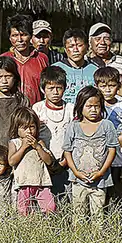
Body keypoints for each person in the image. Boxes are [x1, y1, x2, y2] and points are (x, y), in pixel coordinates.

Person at [63, 86, 119, 223]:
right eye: (89, 106)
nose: (93, 110)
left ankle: (97, 241)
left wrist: (101, 172)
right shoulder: (74, 126)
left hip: (100, 180)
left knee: (98, 215)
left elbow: (112, 150)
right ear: (81, 106)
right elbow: (67, 151)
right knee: (78, 214)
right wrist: (76, 172)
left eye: (97, 106)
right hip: (78, 180)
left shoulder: (107, 125)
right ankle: (78, 241)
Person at [94, 66, 122, 212]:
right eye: (103, 86)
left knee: (118, 188)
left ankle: (118, 215)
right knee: (100, 187)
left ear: (118, 86)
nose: (107, 90)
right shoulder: (94, 105)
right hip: (99, 154)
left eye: (111, 86)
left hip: (119, 155)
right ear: (96, 86)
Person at [32, 66, 74, 206]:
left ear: (65, 88)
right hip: (43, 162)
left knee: (66, 198)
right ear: (43, 89)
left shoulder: (70, 109)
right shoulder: (37, 108)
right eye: (51, 88)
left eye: (59, 88)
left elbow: (75, 137)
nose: (55, 92)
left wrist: (65, 161)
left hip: (66, 161)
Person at [8, 106, 55, 215]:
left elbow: (49, 161)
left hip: (42, 183)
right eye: (24, 128)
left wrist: (38, 147)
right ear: (16, 128)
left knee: (50, 208)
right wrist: (23, 147)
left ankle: (47, 227)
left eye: (32, 127)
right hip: (23, 184)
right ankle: (27, 229)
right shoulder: (15, 143)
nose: (29, 131)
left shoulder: (40, 142)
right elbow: (11, 161)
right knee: (24, 210)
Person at [1, 14, 49, 103]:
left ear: (30, 36)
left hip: (35, 110)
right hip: (10, 110)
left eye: (23, 35)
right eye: (15, 35)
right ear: (10, 38)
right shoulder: (3, 59)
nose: (19, 39)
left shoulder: (41, 58)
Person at [55, 28, 99, 105]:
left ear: (86, 47)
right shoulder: (55, 69)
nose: (75, 50)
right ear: (65, 49)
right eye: (71, 46)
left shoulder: (95, 70)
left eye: (79, 45)